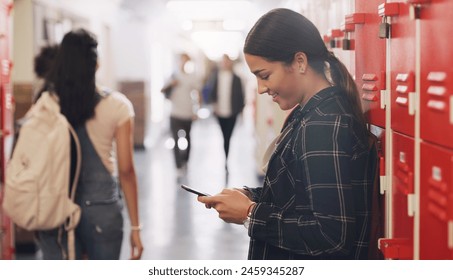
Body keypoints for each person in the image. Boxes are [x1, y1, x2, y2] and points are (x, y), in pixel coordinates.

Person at [198, 8, 375, 260]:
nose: (260, 89)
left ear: (299, 62)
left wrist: (249, 213)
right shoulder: (307, 114)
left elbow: (331, 235)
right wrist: (249, 196)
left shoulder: (323, 125)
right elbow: (297, 196)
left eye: (265, 75)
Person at [36, 29, 143, 260]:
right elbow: (126, 170)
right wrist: (136, 228)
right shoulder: (117, 106)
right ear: (96, 64)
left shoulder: (46, 103)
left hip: (55, 207)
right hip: (101, 211)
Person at [161, 53, 200, 176]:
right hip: (175, 113)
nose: (183, 63)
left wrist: (196, 111)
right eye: (181, 60)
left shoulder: (192, 77)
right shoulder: (173, 76)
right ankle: (178, 165)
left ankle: (185, 162)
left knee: (188, 139)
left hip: (187, 113)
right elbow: (162, 90)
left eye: (186, 61)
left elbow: (198, 93)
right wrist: (172, 84)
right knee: (176, 140)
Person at [207, 54, 245, 173]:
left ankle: (226, 159)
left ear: (231, 63)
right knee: (223, 135)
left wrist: (240, 112)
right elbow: (211, 92)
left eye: (227, 61)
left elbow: (241, 97)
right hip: (219, 112)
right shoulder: (216, 76)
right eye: (223, 61)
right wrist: (214, 106)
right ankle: (225, 157)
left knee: (228, 137)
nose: (225, 64)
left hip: (232, 112)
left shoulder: (237, 78)